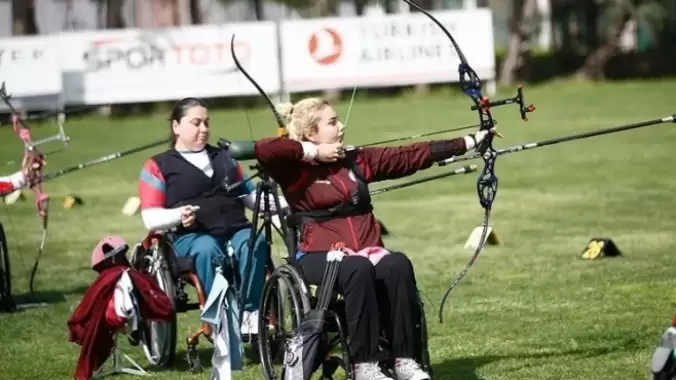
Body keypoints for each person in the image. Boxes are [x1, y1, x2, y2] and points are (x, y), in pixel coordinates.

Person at [253, 97, 499, 380]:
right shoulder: (294, 168)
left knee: (397, 264)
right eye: (332, 122)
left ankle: (404, 360)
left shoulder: (355, 160)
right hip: (318, 255)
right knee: (355, 267)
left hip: (367, 251)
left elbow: (410, 155)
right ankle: (364, 365)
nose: (341, 126)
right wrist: (313, 152)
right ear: (311, 132)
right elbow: (264, 149)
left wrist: (470, 141)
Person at [138, 97, 287, 335]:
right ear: (176, 126)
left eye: (207, 123)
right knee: (208, 250)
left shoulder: (227, 157)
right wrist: (178, 214)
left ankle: (250, 313)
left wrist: (287, 204)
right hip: (191, 237)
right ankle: (221, 314)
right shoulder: (157, 165)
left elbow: (250, 198)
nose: (204, 129)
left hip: (236, 229)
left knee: (254, 242)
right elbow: (150, 218)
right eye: (196, 123)